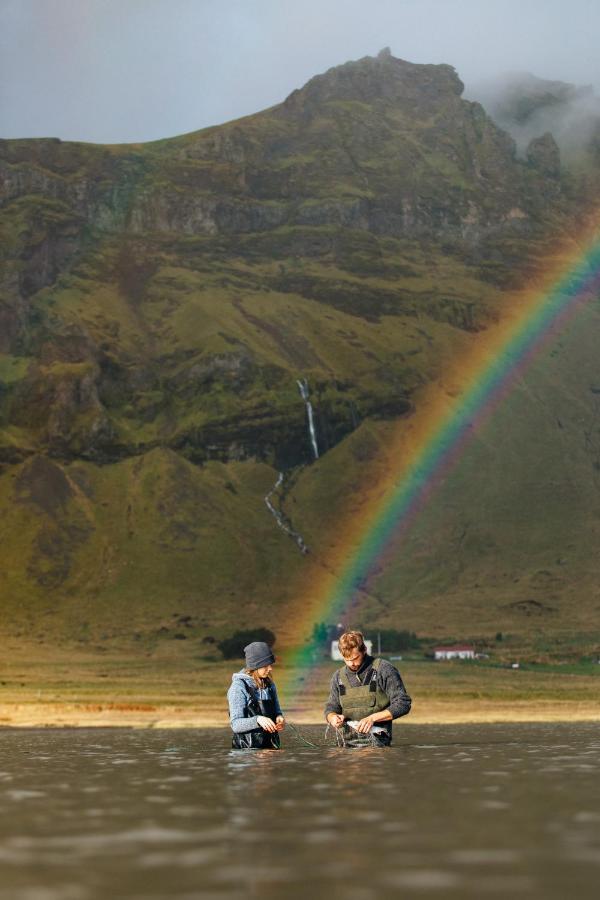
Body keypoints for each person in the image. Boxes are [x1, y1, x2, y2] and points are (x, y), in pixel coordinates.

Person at [325, 630, 411, 746]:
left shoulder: (384, 669)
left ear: (364, 650)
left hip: (377, 746)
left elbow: (403, 703)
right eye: (347, 659)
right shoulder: (337, 677)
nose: (351, 664)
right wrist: (333, 718)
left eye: (355, 658)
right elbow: (331, 709)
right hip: (345, 747)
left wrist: (372, 718)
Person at [227, 641, 286, 749]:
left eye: (270, 665)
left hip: (271, 749)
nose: (270, 669)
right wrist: (257, 720)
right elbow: (235, 725)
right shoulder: (238, 687)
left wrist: (279, 718)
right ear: (255, 666)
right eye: (266, 666)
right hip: (246, 753)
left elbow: (277, 711)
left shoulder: (270, 685)